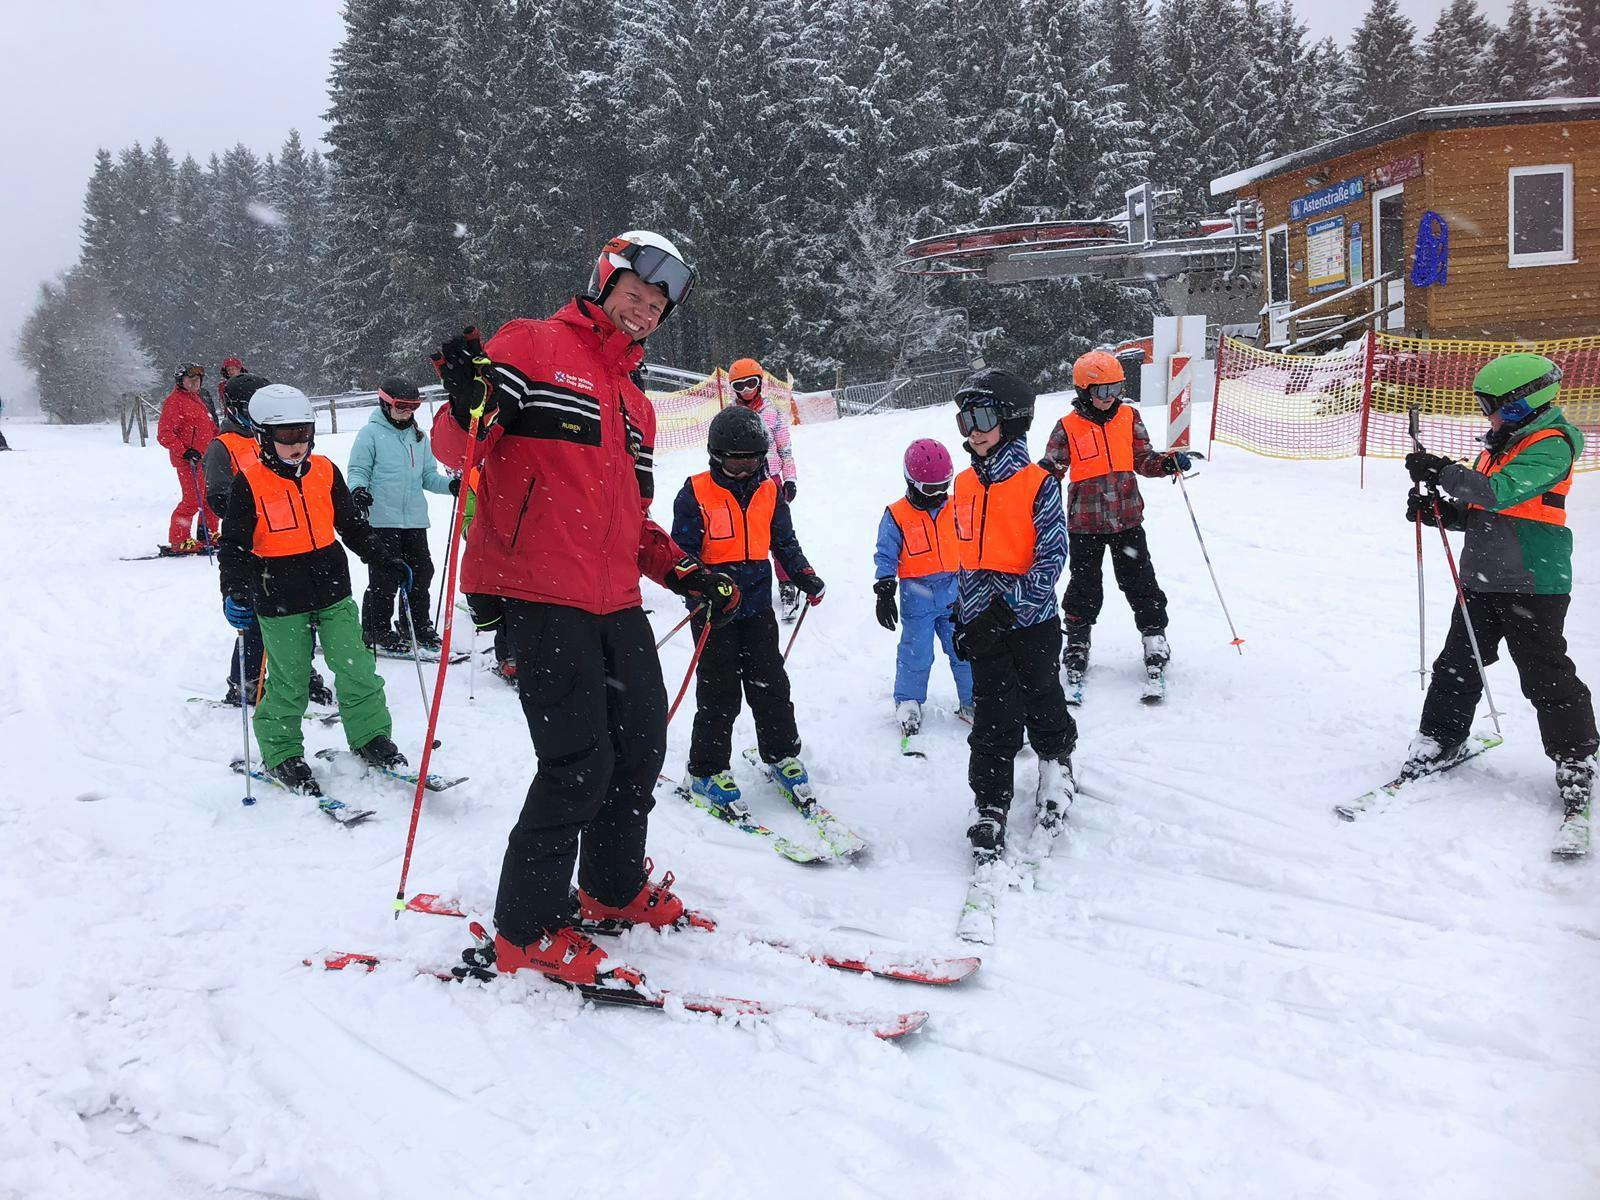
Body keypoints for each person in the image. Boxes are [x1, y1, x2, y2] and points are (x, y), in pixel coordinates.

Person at [429, 230, 739, 986]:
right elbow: (457, 448)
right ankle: (527, 927)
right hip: (540, 593)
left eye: (659, 305)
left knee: (639, 749)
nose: (646, 310)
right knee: (577, 764)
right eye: (637, 292)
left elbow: (632, 517)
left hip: (614, 598)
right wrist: (465, 404)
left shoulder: (636, 403)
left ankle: (611, 886)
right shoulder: (533, 345)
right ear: (606, 281)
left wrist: (686, 573)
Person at [1403, 352, 1596, 828]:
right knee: (1456, 664)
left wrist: (1444, 472)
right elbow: (1482, 511)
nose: (1487, 415)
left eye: (1493, 406)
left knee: (1545, 675)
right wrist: (1441, 513)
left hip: (1533, 581)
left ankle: (1576, 759)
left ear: (1521, 403)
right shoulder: (1496, 446)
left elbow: (1500, 492)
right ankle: (1441, 739)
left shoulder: (1553, 444)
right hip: (1481, 578)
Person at [218, 383, 406, 792]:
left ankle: (371, 735)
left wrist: (382, 557)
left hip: (332, 588)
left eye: (303, 434)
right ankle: (282, 752)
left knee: (356, 668)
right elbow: (232, 545)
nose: (297, 445)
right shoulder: (249, 482)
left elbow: (351, 525)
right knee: (290, 680)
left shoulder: (325, 471)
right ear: (263, 435)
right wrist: (233, 589)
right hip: (278, 595)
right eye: (286, 436)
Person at [672, 404, 826, 813]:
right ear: (716, 455)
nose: (743, 472)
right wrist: (700, 590)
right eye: (734, 463)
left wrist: (804, 574)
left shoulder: (770, 491)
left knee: (771, 684)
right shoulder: (696, 492)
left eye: (752, 462)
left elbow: (784, 542)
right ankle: (706, 770)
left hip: (757, 607)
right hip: (714, 612)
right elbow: (680, 555)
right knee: (719, 692)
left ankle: (781, 754)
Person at [950, 368, 1074, 864]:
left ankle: (1055, 766)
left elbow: (1052, 559)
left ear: (1012, 420)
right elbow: (965, 559)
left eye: (982, 418)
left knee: (1042, 696)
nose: (973, 431)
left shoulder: (1037, 482)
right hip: (982, 625)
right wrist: (963, 615)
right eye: (965, 421)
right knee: (992, 713)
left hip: (1031, 623)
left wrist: (1006, 609)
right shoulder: (962, 484)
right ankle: (989, 802)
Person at [1040, 350, 1189, 693]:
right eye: (1102, 391)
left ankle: (1153, 634)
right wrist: (1034, 485)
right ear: (1083, 391)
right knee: (1084, 586)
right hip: (1085, 523)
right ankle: (1078, 639)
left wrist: (1165, 464)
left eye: (1116, 388)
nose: (1110, 397)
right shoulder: (1067, 427)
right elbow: (1052, 468)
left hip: (1127, 518)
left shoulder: (1129, 417)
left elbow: (1143, 459)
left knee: (1140, 581)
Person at [204, 373, 334, 708]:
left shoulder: (278, 432)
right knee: (256, 616)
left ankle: (300, 672)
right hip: (254, 545)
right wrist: (248, 507)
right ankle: (246, 680)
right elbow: (217, 495)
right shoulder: (224, 445)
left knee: (300, 613)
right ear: (234, 409)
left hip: (292, 542)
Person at [873, 437, 973, 737]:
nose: (939, 494)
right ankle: (909, 701)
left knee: (965, 649)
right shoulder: (897, 515)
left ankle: (974, 700)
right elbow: (886, 554)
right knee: (916, 652)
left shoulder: (955, 506)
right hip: (917, 593)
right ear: (911, 482)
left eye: (944, 486)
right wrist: (884, 590)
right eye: (931, 489)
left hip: (956, 591)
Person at [347, 378, 456, 653]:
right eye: (401, 406)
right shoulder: (370, 434)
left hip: (414, 520)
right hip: (382, 519)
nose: (407, 412)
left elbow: (428, 477)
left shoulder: (419, 437)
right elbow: (358, 470)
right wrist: (358, 490)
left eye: (413, 407)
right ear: (385, 404)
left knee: (422, 572)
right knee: (386, 576)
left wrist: (451, 486)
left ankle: (415, 625)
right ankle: (376, 629)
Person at [728, 357, 802, 621]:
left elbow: (785, 450)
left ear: (760, 383)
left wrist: (790, 479)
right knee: (745, 536)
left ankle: (787, 583)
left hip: (770, 482)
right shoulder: (729, 416)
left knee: (778, 535)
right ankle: (742, 586)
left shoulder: (773, 413)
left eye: (751, 383)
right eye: (740, 386)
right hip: (741, 483)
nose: (746, 390)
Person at [156, 363, 220, 552]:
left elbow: (209, 427)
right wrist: (184, 451)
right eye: (190, 379)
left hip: (206, 459)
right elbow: (164, 434)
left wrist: (219, 441)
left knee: (209, 498)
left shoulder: (197, 399)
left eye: (197, 379)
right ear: (180, 381)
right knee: (193, 500)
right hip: (188, 461)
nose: (194, 383)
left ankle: (208, 533)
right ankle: (180, 540)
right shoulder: (175, 401)